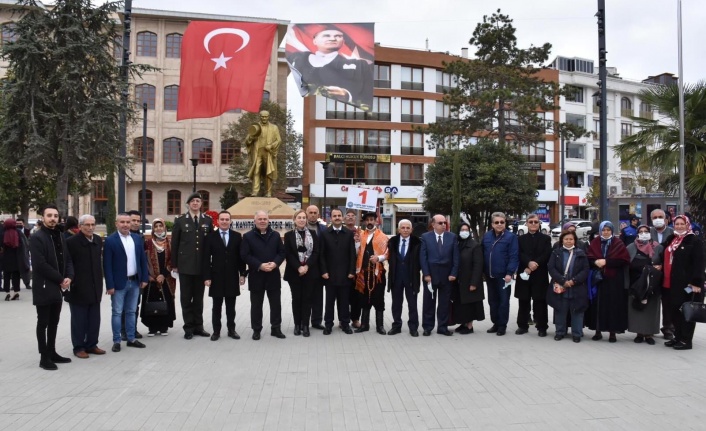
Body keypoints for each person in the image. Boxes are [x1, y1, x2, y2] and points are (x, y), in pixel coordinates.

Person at [30, 205, 74, 370]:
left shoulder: (60, 236)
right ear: (43, 217)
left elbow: (68, 259)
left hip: (58, 286)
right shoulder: (37, 237)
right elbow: (40, 264)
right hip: (44, 286)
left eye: (55, 215)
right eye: (49, 215)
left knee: (54, 321)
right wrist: (61, 279)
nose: (53, 218)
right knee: (43, 322)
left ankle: (52, 351)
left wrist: (69, 277)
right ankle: (44, 357)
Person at [287, 27, 373, 109]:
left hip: (338, 112)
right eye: (326, 35)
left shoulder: (359, 65)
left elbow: (368, 95)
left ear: (343, 41)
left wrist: (347, 96)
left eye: (338, 36)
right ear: (314, 40)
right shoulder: (298, 59)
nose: (332, 39)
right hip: (305, 109)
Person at [104, 213, 149, 353]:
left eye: (127, 222)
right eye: (122, 222)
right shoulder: (111, 240)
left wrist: (144, 278)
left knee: (131, 311)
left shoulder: (136, 239)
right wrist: (109, 285)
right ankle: (117, 340)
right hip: (119, 283)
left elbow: (142, 260)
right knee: (117, 312)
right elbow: (107, 265)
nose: (125, 225)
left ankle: (131, 339)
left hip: (135, 281)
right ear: (116, 223)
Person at [171, 192, 213, 340]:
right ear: (188, 204)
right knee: (186, 298)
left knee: (199, 298)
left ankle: (199, 326)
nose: (195, 203)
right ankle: (188, 327)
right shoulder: (181, 220)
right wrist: (174, 264)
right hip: (185, 266)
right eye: (193, 201)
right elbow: (174, 243)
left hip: (201, 266)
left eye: (198, 201)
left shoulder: (207, 221)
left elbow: (209, 244)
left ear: (201, 204)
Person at [241, 210, 286, 340]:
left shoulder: (276, 235)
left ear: (268, 220)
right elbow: (245, 255)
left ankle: (276, 328)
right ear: (255, 221)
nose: (262, 221)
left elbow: (282, 252)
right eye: (259, 219)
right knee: (256, 305)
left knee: (276, 304)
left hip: (273, 274)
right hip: (257, 275)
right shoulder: (248, 236)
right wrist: (259, 265)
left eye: (264, 219)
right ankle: (256, 330)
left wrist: (275, 264)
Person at [65, 215, 105, 359]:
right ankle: (79, 347)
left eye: (93, 224)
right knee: (79, 320)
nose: (90, 228)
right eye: (87, 225)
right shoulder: (71, 242)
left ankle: (92, 344)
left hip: (95, 287)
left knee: (94, 319)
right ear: (80, 226)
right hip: (78, 287)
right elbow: (67, 264)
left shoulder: (97, 240)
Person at [662, 215, 705, 350]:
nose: (679, 226)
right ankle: (677, 337)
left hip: (687, 285)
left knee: (685, 311)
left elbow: (699, 263)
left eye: (682, 224)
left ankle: (686, 340)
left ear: (687, 225)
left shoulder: (694, 241)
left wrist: (696, 283)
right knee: (673, 311)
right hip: (670, 282)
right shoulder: (672, 239)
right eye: (677, 224)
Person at [203, 211, 247, 341]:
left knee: (230, 306)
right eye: (222, 219)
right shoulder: (210, 237)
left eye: (227, 219)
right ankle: (216, 331)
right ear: (217, 221)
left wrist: (242, 274)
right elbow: (206, 258)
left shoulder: (237, 236)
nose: (224, 221)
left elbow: (241, 258)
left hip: (232, 276)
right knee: (216, 306)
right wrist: (207, 277)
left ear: (230, 221)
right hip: (216, 276)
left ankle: (231, 330)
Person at [586, 221, 630, 343]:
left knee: (613, 305)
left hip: (614, 280)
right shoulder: (595, 243)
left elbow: (624, 260)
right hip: (598, 278)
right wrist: (595, 262)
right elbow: (589, 258)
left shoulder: (618, 243)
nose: (605, 232)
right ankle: (597, 331)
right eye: (603, 230)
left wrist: (607, 262)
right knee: (597, 305)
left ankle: (612, 333)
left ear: (612, 231)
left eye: (608, 230)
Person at [420, 214, 459, 336]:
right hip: (430, 276)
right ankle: (427, 327)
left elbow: (456, 258)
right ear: (433, 224)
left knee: (444, 303)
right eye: (440, 223)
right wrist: (426, 274)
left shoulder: (452, 237)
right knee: (428, 303)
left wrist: (453, 273)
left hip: (447, 277)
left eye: (444, 223)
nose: (443, 225)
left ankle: (442, 327)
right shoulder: (425, 237)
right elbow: (423, 257)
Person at [547, 230, 590, 342]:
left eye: (571, 239)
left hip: (577, 287)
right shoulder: (556, 253)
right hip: (561, 287)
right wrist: (562, 280)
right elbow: (551, 268)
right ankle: (560, 332)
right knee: (560, 310)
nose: (568, 241)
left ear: (575, 240)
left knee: (577, 311)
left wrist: (574, 281)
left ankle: (577, 333)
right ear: (562, 240)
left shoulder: (581, 253)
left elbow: (585, 270)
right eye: (566, 239)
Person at [283, 209, 320, 337]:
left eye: (304, 217)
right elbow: (288, 254)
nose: (302, 220)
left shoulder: (313, 234)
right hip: (294, 272)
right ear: (294, 219)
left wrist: (307, 266)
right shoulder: (288, 235)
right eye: (299, 217)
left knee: (307, 299)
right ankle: (297, 324)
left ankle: (305, 325)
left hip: (310, 272)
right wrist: (299, 267)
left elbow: (316, 252)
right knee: (296, 299)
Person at [319, 208, 356, 335]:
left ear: (343, 217)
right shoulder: (325, 233)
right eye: (334, 216)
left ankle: (345, 324)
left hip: (345, 274)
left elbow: (352, 254)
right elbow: (321, 255)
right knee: (329, 302)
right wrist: (323, 271)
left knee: (344, 302)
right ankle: (328, 325)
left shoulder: (348, 233)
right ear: (331, 218)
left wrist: (352, 271)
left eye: (339, 215)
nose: (337, 218)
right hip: (329, 274)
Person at [481, 212, 519, 336]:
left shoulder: (511, 237)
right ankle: (495, 323)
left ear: (505, 223)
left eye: (502, 222)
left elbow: (514, 256)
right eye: (496, 222)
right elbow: (481, 254)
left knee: (503, 301)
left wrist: (510, 273)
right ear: (492, 224)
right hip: (489, 275)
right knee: (492, 301)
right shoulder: (486, 236)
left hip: (504, 276)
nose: (499, 224)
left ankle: (502, 325)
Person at [514, 214, 552, 337]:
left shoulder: (546, 239)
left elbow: (547, 254)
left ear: (539, 224)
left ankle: (541, 327)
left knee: (540, 301)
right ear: (527, 223)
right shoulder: (520, 239)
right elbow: (519, 253)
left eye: (536, 222)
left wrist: (535, 263)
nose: (534, 224)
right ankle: (522, 325)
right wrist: (528, 263)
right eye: (531, 222)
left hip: (540, 274)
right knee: (523, 300)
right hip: (524, 271)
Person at [626, 225, 663, 345]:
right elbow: (626, 265)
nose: (643, 234)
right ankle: (639, 333)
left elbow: (663, 263)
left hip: (652, 284)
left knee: (651, 309)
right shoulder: (631, 247)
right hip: (636, 283)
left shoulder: (658, 248)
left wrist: (660, 267)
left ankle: (649, 334)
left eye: (646, 231)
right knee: (636, 309)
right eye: (640, 232)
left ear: (650, 233)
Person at [354, 211, 389, 334]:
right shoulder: (361, 235)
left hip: (377, 274)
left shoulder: (383, 236)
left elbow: (387, 253)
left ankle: (380, 326)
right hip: (363, 273)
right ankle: (364, 325)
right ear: (364, 222)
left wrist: (378, 258)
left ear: (376, 221)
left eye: (372, 220)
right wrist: (356, 242)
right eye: (367, 220)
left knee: (378, 299)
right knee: (364, 299)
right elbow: (357, 252)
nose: (369, 222)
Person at [386, 219, 422, 336]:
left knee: (412, 304)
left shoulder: (417, 242)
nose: (405, 230)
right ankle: (396, 326)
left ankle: (413, 327)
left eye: (408, 228)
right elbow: (386, 255)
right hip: (396, 277)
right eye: (403, 228)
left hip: (411, 278)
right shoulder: (392, 241)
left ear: (411, 230)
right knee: (396, 304)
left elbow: (421, 260)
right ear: (398, 229)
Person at [142, 218, 177, 336]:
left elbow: (172, 260)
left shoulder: (169, 243)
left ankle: (163, 327)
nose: (158, 229)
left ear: (164, 228)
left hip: (166, 279)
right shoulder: (148, 243)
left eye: (160, 226)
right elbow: (143, 261)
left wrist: (163, 274)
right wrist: (149, 275)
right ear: (153, 229)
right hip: (151, 279)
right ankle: (152, 327)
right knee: (151, 300)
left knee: (166, 300)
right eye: (156, 227)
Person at [451, 222, 484, 335]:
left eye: (466, 230)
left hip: (470, 280)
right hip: (459, 280)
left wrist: (474, 282)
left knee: (470, 303)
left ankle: (469, 326)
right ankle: (463, 323)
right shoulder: (457, 244)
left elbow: (478, 265)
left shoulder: (475, 245)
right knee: (461, 303)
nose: (464, 232)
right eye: (462, 230)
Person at [649, 208, 674, 339]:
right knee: (651, 301)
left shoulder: (673, 233)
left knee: (668, 302)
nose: (657, 219)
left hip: (667, 273)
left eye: (660, 216)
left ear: (666, 219)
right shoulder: (647, 232)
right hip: (651, 272)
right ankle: (649, 328)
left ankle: (668, 328)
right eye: (655, 217)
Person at [245, 110, 282, 197]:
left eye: (266, 116)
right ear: (260, 117)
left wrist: (271, 146)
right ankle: (255, 192)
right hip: (257, 152)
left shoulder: (274, 127)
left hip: (268, 152)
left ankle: (268, 192)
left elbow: (279, 140)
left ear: (268, 117)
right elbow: (247, 141)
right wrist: (251, 137)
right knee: (256, 171)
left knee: (268, 172)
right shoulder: (255, 127)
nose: (264, 118)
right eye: (262, 116)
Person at [122, 209, 145, 340]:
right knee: (122, 307)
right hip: (123, 278)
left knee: (134, 306)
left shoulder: (140, 237)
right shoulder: (120, 237)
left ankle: (132, 329)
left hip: (137, 278)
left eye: (138, 221)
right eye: (133, 221)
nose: (136, 223)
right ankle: (123, 331)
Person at [305, 205, 327, 331]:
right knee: (306, 296)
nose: (313, 215)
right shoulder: (301, 227)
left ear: (318, 215)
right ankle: (304, 321)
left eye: (315, 212)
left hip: (319, 268)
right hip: (305, 267)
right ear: (307, 213)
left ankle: (317, 321)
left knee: (318, 297)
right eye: (311, 212)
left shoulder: (323, 229)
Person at [2, 218, 30, 300]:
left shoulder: (3, 233)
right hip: (17, 258)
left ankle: (7, 293)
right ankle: (16, 292)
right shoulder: (18, 232)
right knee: (16, 276)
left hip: (5, 258)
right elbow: (24, 244)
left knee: (6, 276)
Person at [344, 209, 362, 328]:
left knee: (357, 296)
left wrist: (358, 243)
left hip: (358, 270)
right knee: (343, 296)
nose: (350, 217)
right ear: (345, 218)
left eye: (352, 216)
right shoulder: (341, 231)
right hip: (343, 269)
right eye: (348, 216)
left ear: (355, 219)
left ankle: (355, 319)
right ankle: (343, 318)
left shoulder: (361, 232)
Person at [15, 218, 32, 290]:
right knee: (16, 269)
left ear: (23, 224)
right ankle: (15, 285)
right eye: (17, 223)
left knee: (25, 268)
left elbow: (30, 242)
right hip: (16, 253)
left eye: (20, 223)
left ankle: (27, 283)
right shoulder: (14, 231)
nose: (19, 225)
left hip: (25, 253)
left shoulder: (28, 231)